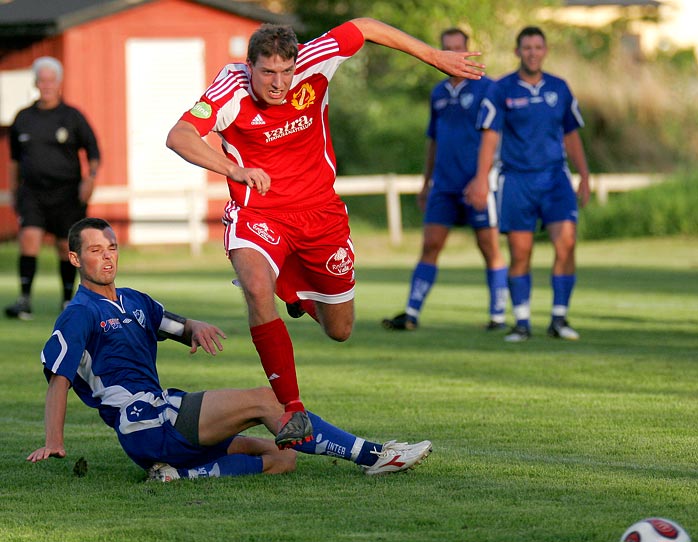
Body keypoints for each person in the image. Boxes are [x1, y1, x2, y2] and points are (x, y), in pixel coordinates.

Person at [165, 18, 485, 448]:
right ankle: (292, 407)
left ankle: (296, 296)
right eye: (267, 73)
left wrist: (433, 56)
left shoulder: (317, 61)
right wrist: (234, 168)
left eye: (285, 72)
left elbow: (365, 26)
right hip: (259, 212)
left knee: (340, 329)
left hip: (320, 215)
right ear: (250, 67)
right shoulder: (230, 88)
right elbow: (179, 135)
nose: (278, 84)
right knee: (258, 287)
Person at [26, 218, 433, 481]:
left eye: (111, 247)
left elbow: (175, 326)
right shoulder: (78, 313)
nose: (107, 257)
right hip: (145, 422)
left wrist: (195, 328)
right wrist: (54, 440)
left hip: (164, 417)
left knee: (281, 457)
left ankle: (176, 476)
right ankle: (374, 455)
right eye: (96, 251)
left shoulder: (135, 300)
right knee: (266, 400)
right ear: (76, 258)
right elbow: (59, 379)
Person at [466, 26, 591, 343]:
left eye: (538, 47)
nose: (533, 52)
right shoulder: (502, 89)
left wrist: (585, 176)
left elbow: (571, 135)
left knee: (567, 244)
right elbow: (489, 137)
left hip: (555, 180)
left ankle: (559, 319)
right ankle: (521, 322)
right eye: (527, 47)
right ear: (517, 52)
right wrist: (481, 180)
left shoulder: (559, 88)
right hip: (517, 181)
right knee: (521, 253)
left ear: (545, 51)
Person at [382, 28, 508, 332]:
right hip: (444, 184)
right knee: (431, 245)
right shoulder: (438, 93)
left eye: (458, 48)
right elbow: (433, 141)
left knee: (488, 246)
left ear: (468, 51)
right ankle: (411, 314)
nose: (453, 53)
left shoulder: (487, 89)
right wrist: (427, 183)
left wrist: (482, 179)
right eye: (447, 49)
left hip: (477, 184)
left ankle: (499, 316)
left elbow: (495, 137)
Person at [5, 56, 101, 320]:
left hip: (67, 192)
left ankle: (67, 300)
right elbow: (14, 159)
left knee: (64, 245)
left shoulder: (72, 116)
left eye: (51, 80)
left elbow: (93, 151)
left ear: (59, 83)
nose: (46, 85)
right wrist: (13, 190)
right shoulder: (23, 118)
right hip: (32, 192)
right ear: (36, 83)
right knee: (29, 238)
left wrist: (90, 179)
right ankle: (24, 299)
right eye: (42, 80)